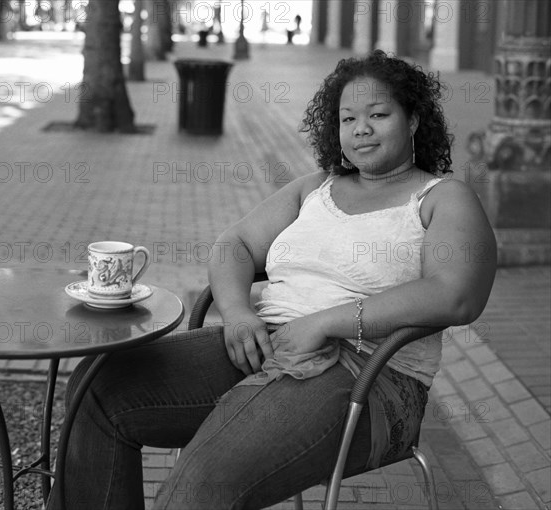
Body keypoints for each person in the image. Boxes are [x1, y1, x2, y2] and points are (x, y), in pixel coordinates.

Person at [47, 50, 497, 510]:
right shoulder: (314, 188)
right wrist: (240, 316)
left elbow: (456, 294)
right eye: (348, 118)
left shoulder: (442, 199)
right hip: (267, 344)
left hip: (369, 375)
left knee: (202, 483)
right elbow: (234, 245)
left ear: (414, 120)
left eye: (379, 115)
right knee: (98, 389)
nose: (361, 129)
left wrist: (325, 322)